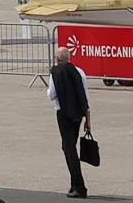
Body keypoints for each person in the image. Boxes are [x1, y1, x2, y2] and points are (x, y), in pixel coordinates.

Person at [45, 44, 91, 198]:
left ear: (57, 59)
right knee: (71, 146)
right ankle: (74, 184)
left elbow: (51, 95)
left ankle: (79, 186)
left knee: (68, 148)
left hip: (63, 114)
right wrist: (88, 120)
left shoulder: (55, 73)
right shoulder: (79, 72)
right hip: (78, 114)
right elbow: (85, 97)